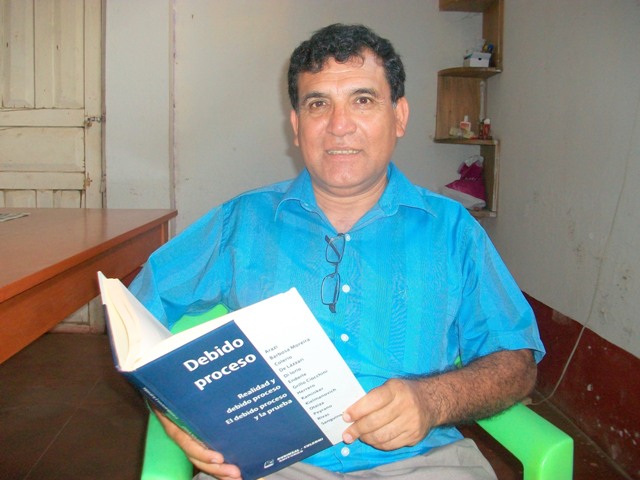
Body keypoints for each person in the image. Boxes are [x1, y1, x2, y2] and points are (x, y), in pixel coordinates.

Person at [128, 23, 544, 480]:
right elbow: (133, 315)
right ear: (296, 126)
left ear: (399, 116)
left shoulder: (454, 231)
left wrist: (433, 400)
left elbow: (516, 363)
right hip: (268, 466)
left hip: (423, 464)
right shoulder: (240, 222)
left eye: (363, 100)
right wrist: (174, 413)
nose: (339, 125)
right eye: (318, 104)